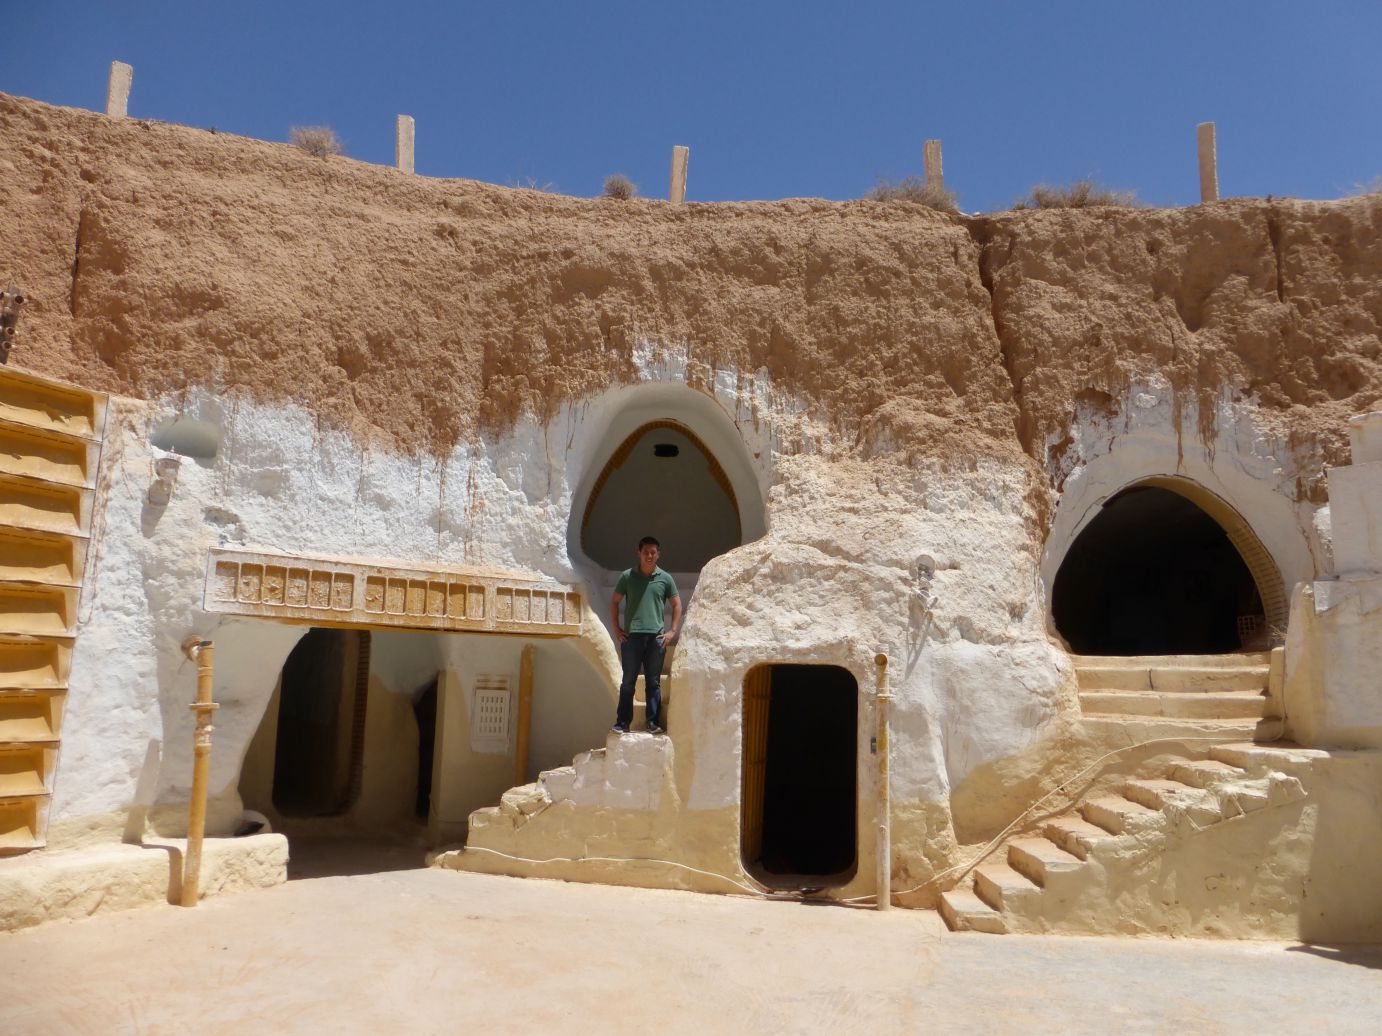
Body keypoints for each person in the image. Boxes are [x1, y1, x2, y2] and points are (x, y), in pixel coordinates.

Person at [609, 536, 681, 735]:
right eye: (645, 552)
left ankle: (652, 723)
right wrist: (616, 628)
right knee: (628, 682)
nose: (649, 556)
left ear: (658, 554)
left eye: (653, 552)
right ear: (638, 553)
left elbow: (676, 604)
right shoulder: (627, 577)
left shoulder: (665, 578)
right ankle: (622, 723)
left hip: (656, 638)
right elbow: (614, 601)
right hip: (632, 637)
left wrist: (672, 631)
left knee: (653, 682)